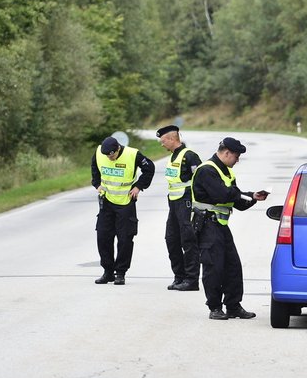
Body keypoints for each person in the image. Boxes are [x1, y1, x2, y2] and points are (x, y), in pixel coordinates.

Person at [191, 137, 268, 320]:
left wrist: (253, 198)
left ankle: (233, 306)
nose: (237, 160)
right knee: (213, 267)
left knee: (233, 266)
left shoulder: (226, 172)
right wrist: (245, 194)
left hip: (221, 225)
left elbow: (236, 201)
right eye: (236, 156)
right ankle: (215, 307)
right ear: (226, 153)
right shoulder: (207, 170)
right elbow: (222, 194)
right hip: (207, 224)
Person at [91, 136, 155, 286]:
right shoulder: (99, 152)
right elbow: (94, 168)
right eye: (107, 155)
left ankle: (120, 273)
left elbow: (149, 168)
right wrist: (97, 184)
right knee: (103, 237)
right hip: (106, 201)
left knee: (125, 239)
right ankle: (108, 272)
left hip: (126, 202)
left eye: (112, 155)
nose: (109, 158)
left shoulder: (132, 154)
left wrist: (139, 186)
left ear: (118, 149)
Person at [156, 125, 202, 292]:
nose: (162, 144)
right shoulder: (172, 156)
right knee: (171, 239)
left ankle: (191, 280)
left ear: (171, 139)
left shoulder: (189, 156)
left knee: (188, 240)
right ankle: (179, 276)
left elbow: (200, 179)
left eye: (163, 141)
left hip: (186, 202)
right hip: (174, 203)